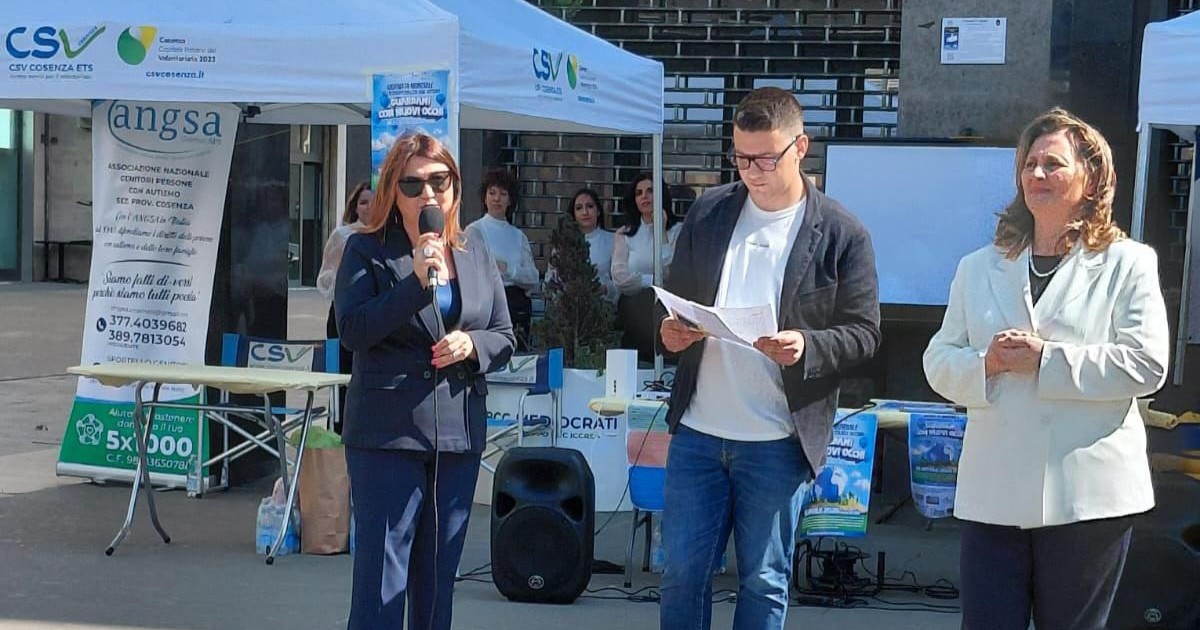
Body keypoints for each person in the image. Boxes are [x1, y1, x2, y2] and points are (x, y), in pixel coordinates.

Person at [923, 108, 1169, 630]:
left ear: (1092, 178)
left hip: (1087, 498)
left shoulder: (1128, 262)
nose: (1037, 174)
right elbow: (938, 360)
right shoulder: (978, 266)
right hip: (994, 493)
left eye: (1053, 164)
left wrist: (1046, 360)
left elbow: (1146, 365)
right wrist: (987, 363)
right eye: (1029, 164)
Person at [657, 86, 881, 630]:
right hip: (699, 432)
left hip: (777, 440)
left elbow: (865, 332)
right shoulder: (710, 211)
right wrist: (669, 332)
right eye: (741, 158)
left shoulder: (842, 232)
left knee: (762, 580)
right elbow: (674, 302)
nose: (752, 171)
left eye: (765, 159)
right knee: (682, 574)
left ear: (801, 147)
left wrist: (808, 345)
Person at [334, 133, 516, 630]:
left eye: (439, 181)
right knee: (382, 582)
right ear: (393, 191)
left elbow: (504, 335)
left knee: (437, 583)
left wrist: (472, 345)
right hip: (387, 435)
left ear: (455, 186)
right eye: (412, 184)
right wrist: (415, 284)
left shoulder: (473, 250)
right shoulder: (366, 250)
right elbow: (353, 330)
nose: (428, 194)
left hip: (456, 434)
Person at [316, 181, 372, 434]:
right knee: (342, 379)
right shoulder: (343, 235)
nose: (369, 207)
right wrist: (342, 271)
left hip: (377, 315)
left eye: (375, 201)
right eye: (363, 202)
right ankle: (339, 435)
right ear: (355, 207)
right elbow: (324, 282)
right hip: (345, 315)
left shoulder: (391, 235)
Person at [464, 168, 539, 350]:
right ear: (484, 197)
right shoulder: (474, 230)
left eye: (503, 194)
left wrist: (508, 270)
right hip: (486, 304)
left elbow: (533, 277)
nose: (497, 199)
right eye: (492, 193)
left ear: (510, 200)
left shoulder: (518, 236)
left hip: (516, 305)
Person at [611, 172, 682, 362]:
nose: (644, 196)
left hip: (668, 309)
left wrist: (662, 232)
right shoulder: (625, 234)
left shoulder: (677, 231)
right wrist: (652, 281)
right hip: (634, 309)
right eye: (639, 193)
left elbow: (673, 273)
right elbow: (620, 279)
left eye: (650, 191)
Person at [569, 187, 618, 305]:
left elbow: (622, 282)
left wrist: (604, 289)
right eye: (579, 208)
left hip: (604, 307)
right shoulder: (564, 241)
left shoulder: (613, 240)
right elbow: (551, 282)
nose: (585, 212)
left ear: (598, 211)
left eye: (590, 206)